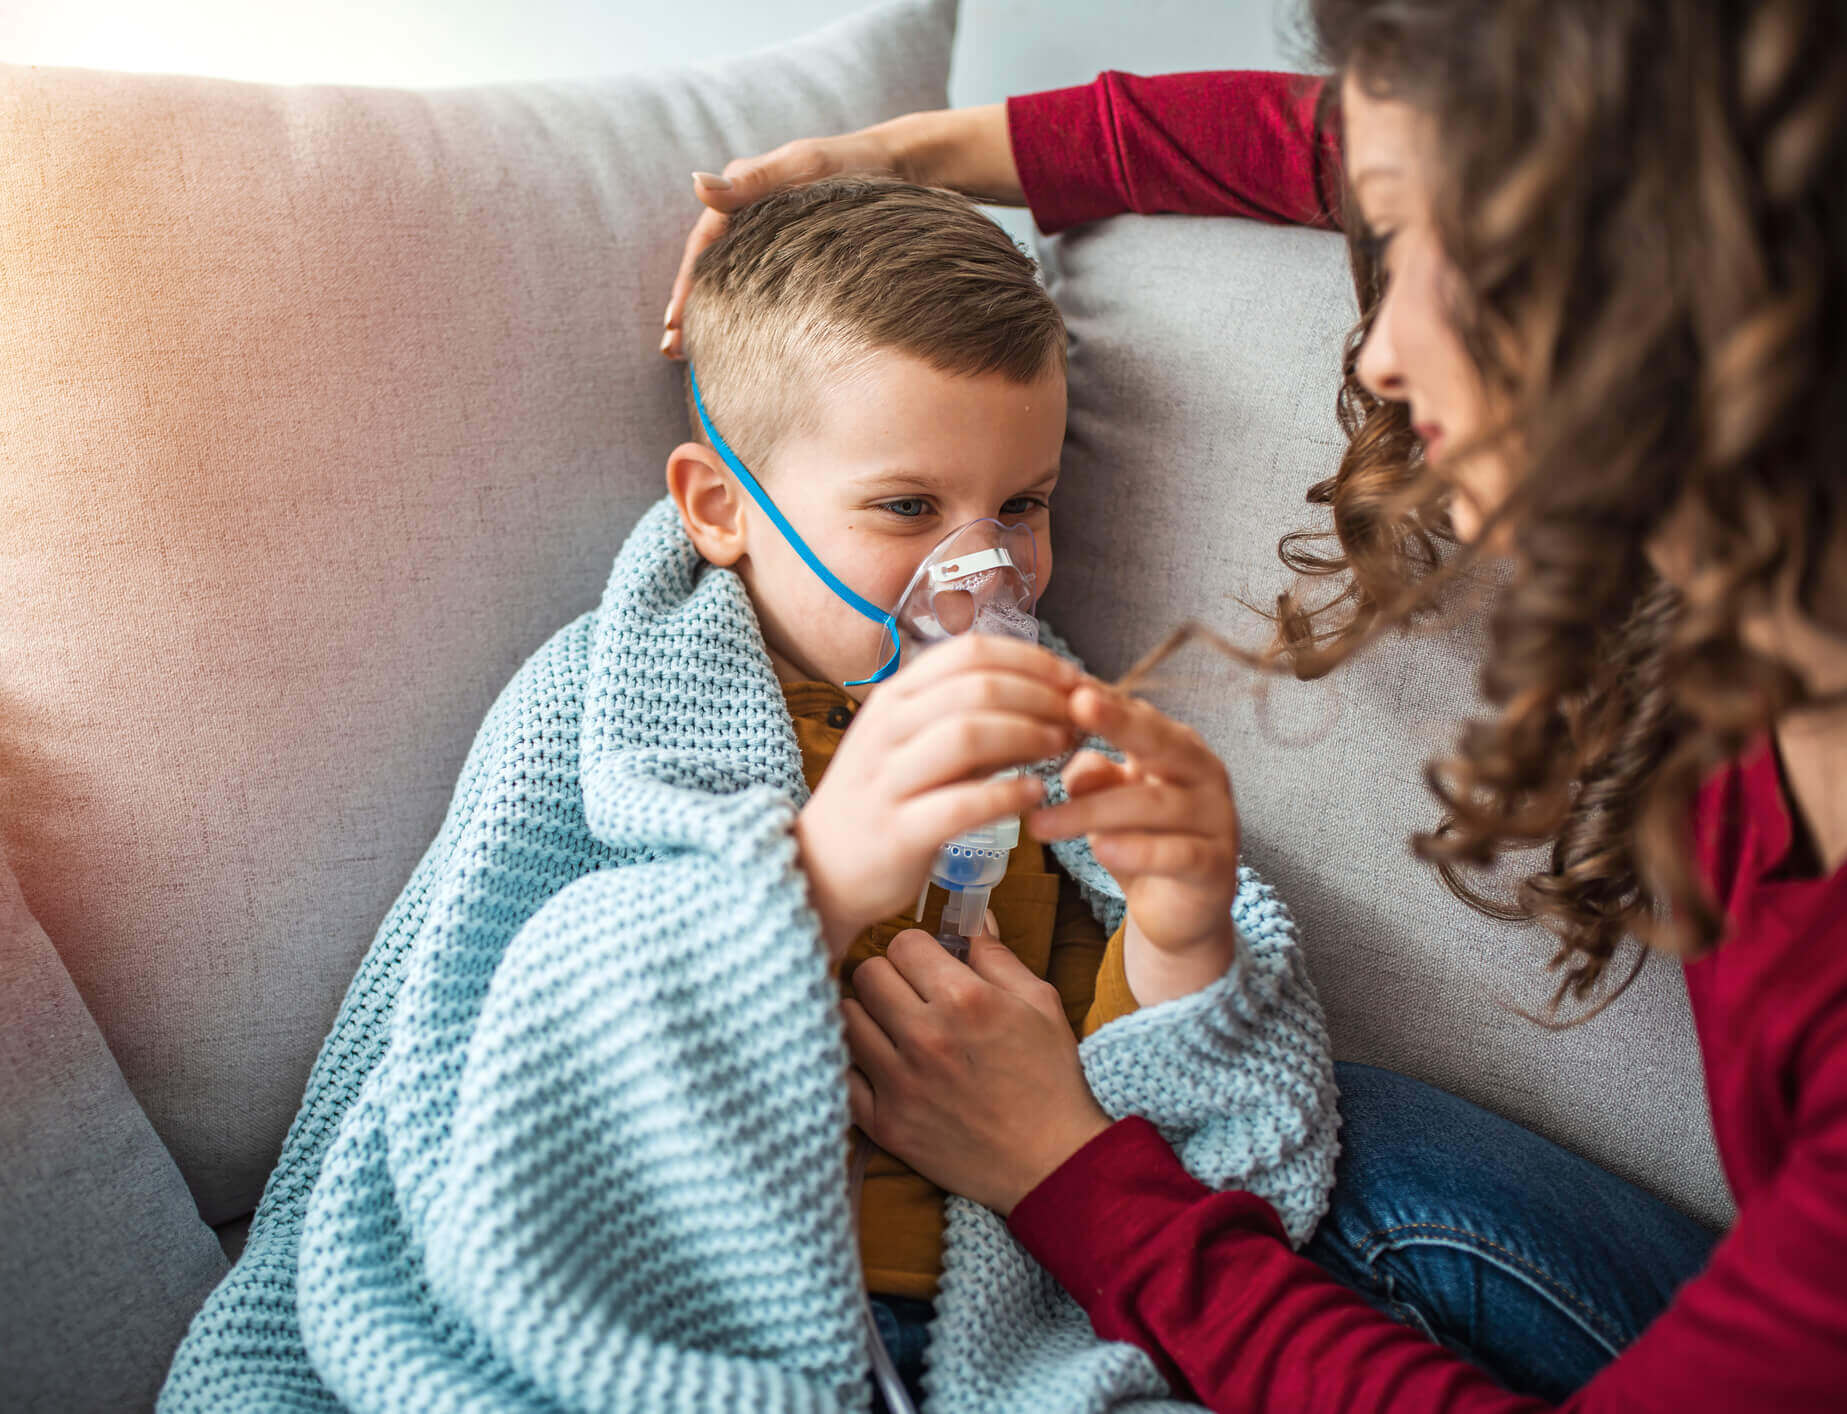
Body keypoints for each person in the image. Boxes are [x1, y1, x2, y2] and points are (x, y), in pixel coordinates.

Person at [661, 0, 1845, 1409]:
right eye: (909, 506)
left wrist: (1122, 1049)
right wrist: (916, 157)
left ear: (1676, 264)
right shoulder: (650, 713)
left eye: (1429, 249)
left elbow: (1165, 1085)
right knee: (1383, 1150)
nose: (1377, 354)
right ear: (714, 503)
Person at [670, 174, 1293, 1404]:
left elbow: (1117, 1087)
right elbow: (551, 1040)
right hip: (743, 1300)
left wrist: (1177, 933)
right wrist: (818, 885)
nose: (980, 572)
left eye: (1022, 505)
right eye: (908, 508)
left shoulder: (1049, 741)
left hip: (1011, 1301)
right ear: (722, 507)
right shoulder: (623, 728)